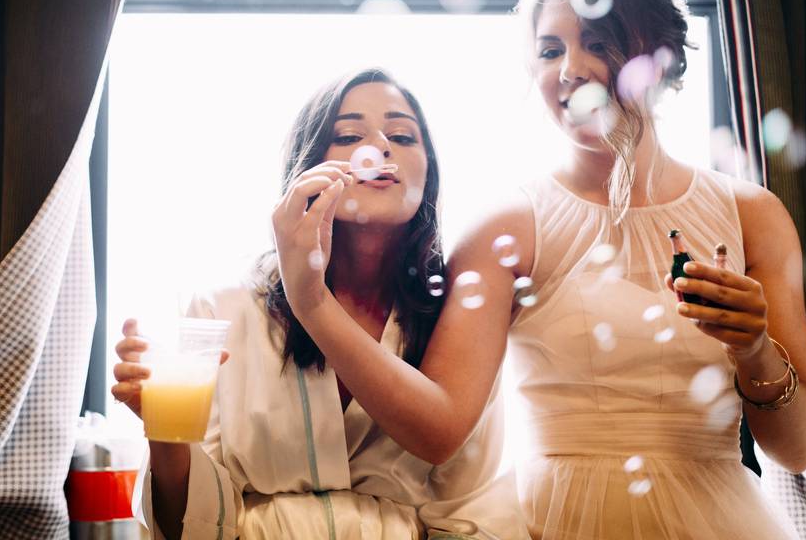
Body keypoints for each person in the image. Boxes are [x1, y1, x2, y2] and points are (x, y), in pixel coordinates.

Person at [276, 0, 806, 539]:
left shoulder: (753, 217)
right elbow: (439, 430)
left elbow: (799, 449)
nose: (570, 70)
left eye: (598, 44)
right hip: (554, 520)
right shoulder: (507, 225)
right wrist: (313, 303)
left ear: (661, 58)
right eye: (550, 50)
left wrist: (754, 350)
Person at [112, 67, 529, 539]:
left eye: (401, 136)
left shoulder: (452, 321)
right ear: (306, 166)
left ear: (428, 173)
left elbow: (472, 511)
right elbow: (188, 526)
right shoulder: (223, 308)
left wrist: (310, 299)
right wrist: (164, 434)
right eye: (348, 136)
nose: (380, 147)